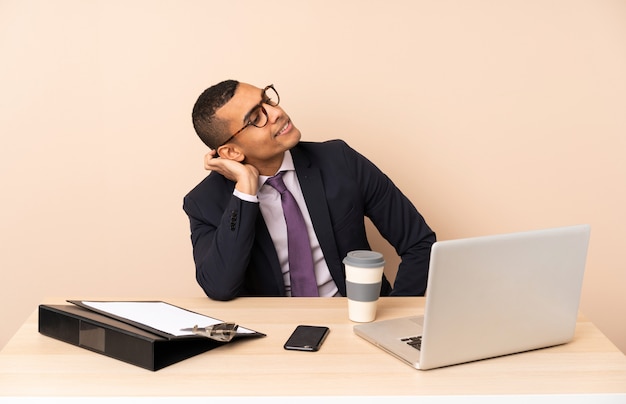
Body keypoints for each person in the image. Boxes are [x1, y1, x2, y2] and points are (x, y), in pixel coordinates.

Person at [183, 80, 436, 301]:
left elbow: (419, 243)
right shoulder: (204, 202)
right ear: (232, 152)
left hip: (356, 319)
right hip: (274, 335)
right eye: (256, 117)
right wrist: (246, 191)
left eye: (268, 100)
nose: (276, 112)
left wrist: (393, 316)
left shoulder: (339, 161)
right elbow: (219, 286)